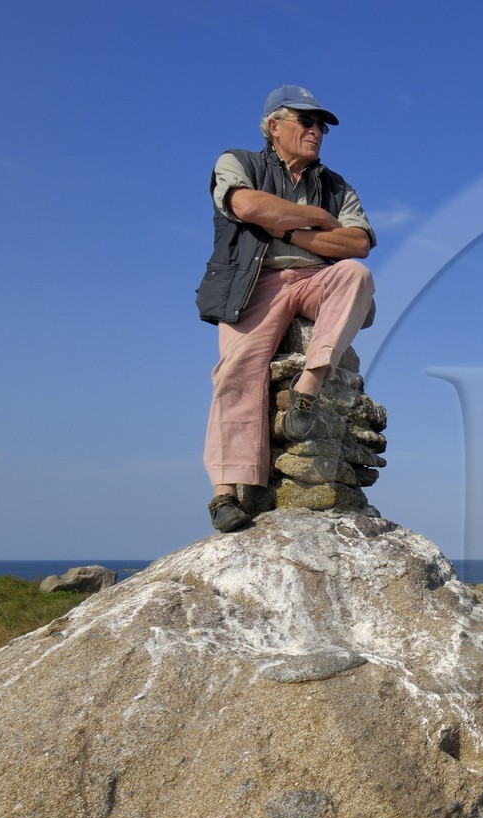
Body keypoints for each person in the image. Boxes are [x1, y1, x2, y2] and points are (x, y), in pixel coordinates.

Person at [195, 85, 376, 532]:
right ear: (274, 125)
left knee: (356, 275)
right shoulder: (238, 162)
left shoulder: (337, 184)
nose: (317, 131)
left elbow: (358, 243)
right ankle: (224, 495)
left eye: (321, 126)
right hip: (255, 284)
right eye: (307, 121)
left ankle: (308, 386)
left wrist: (285, 228)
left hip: (316, 279)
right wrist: (317, 220)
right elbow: (247, 204)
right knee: (236, 372)